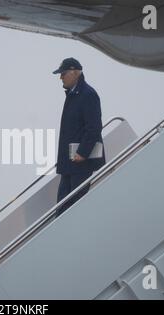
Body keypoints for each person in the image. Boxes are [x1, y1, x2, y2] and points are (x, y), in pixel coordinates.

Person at [53, 57, 106, 216]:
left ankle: (66, 236)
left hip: (80, 162)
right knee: (62, 207)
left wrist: (82, 153)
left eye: (63, 73)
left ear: (75, 72)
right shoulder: (74, 94)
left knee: (73, 207)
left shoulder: (87, 94)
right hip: (70, 162)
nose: (61, 77)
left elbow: (94, 127)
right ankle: (60, 235)